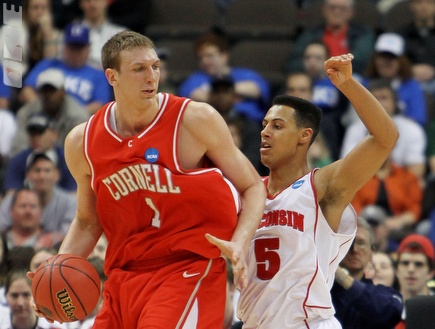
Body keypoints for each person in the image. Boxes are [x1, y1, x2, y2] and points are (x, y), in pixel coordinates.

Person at [29, 31, 266, 329]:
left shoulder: (194, 120)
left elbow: (253, 186)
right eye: (139, 69)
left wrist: (240, 243)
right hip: (121, 279)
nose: (151, 76)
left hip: (185, 270)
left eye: (154, 67)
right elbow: (89, 222)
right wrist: (54, 275)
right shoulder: (83, 141)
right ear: (112, 76)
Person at [207, 53, 399, 328]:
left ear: (304, 136)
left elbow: (385, 138)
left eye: (277, 126)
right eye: (264, 126)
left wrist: (347, 84)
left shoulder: (320, 186)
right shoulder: (247, 194)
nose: (265, 132)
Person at [341, 79, 427, 184]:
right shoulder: (355, 130)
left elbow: (416, 171)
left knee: (420, 183)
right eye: (374, 98)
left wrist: (388, 181)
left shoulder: (412, 129)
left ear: (395, 103)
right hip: (365, 184)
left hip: (400, 184)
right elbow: (346, 168)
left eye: (384, 98)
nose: (379, 103)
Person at [19, 22, 112, 115]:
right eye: (72, 47)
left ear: (88, 48)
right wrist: (45, 109)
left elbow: (99, 105)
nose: (75, 53)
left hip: (78, 122)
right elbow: (27, 91)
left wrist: (69, 115)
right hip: (43, 116)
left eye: (79, 48)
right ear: (63, 46)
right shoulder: (48, 64)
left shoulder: (98, 74)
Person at [178, 30, 270, 123]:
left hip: (247, 124)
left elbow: (257, 89)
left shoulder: (245, 74)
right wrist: (232, 95)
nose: (204, 61)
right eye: (201, 57)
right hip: (210, 124)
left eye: (209, 56)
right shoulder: (194, 79)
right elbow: (192, 96)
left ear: (224, 55)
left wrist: (218, 92)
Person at [331, 217, 403, 329]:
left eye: (361, 243)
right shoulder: (324, 290)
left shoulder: (384, 294)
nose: (354, 249)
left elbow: (392, 312)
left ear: (371, 252)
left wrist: (339, 273)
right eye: (349, 242)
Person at [10, 67, 89, 156]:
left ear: (63, 91)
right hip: (30, 162)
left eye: (52, 91)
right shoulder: (27, 113)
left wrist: (51, 148)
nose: (48, 96)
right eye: (44, 91)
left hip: (64, 164)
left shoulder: (77, 116)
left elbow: (79, 153)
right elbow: (17, 149)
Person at [285, 0, 375, 76]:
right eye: (332, 8)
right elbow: (293, 62)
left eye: (342, 9)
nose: (336, 12)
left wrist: (325, 67)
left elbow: (361, 61)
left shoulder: (362, 34)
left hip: (348, 79)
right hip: (314, 80)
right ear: (324, 10)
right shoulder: (311, 34)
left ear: (350, 13)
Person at [351, 156, 423, 249]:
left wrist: (398, 221)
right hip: (366, 220)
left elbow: (414, 210)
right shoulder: (359, 177)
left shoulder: (406, 176)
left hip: (396, 224)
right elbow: (354, 207)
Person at [0, 152, 77, 235]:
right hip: (15, 246)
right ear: (27, 175)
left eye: (47, 170)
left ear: (57, 175)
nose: (42, 176)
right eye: (37, 170)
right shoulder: (11, 201)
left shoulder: (70, 203)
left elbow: (70, 236)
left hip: (57, 247)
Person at [364, 32, 428, 126]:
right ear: (375, 59)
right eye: (382, 56)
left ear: (401, 61)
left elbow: (418, 119)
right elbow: (354, 118)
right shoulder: (364, 84)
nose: (386, 62)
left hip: (402, 135)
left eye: (391, 57)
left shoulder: (411, 86)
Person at [3, 113, 76, 195]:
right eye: (32, 133)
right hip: (28, 204)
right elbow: (11, 195)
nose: (35, 137)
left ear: (55, 135)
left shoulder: (67, 158)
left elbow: (74, 193)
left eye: (40, 133)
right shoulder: (18, 160)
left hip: (61, 205)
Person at [0, 269, 67, 329]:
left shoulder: (54, 327)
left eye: (26, 295)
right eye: (14, 296)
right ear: (5, 296)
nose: (20, 303)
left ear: (35, 296)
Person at [395, 234, 435, 329]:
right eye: (405, 263)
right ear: (396, 270)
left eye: (418, 264)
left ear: (431, 272)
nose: (411, 269)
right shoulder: (382, 308)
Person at [397, 0, 435, 97]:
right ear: (412, 6)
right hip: (407, 80)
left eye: (429, 2)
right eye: (419, 2)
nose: (424, 7)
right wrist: (409, 69)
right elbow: (392, 60)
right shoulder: (401, 34)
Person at [75, 0, 128, 69]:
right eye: (88, 1)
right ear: (81, 3)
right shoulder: (73, 32)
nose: (92, 4)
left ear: (106, 2)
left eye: (97, 0)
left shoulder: (121, 33)